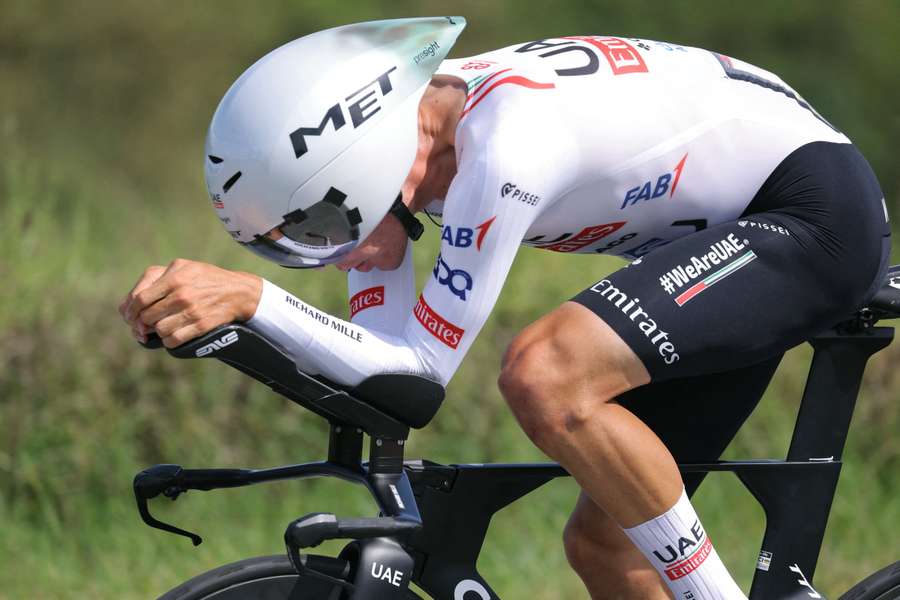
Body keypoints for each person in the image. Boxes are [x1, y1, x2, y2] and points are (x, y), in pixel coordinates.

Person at [119, 17, 891, 599]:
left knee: (548, 372)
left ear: (362, 162)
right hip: (713, 240)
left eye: (325, 224)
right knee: (610, 547)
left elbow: (421, 374)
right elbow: (384, 380)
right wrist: (261, 314)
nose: (333, 253)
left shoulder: (506, 144)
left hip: (811, 214)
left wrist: (255, 298)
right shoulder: (421, 134)